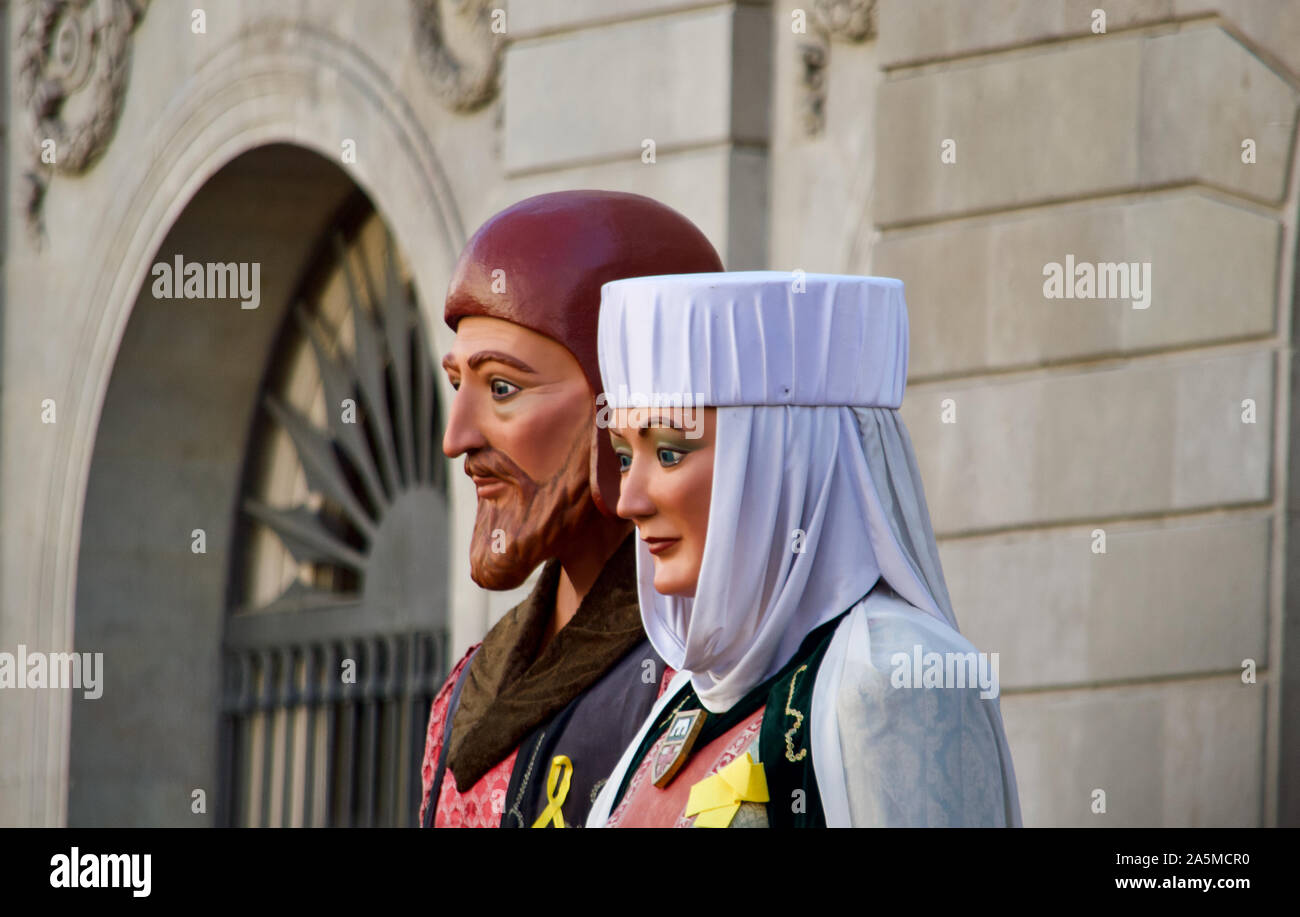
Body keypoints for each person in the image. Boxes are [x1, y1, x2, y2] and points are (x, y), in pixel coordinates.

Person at [586, 271, 1022, 827]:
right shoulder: (691, 694)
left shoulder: (893, 679)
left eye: (670, 452)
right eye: (625, 457)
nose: (629, 499)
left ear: (781, 462)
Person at [420, 190, 723, 828]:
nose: (457, 438)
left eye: (502, 388)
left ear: (625, 405)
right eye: (457, 386)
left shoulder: (720, 669)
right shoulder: (465, 690)